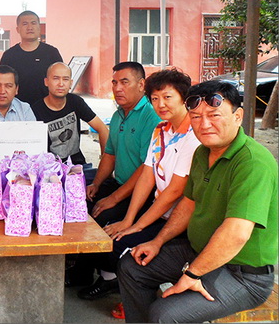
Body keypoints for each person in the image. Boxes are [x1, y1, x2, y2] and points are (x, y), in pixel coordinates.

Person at [118, 80, 277, 323]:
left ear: (238, 116)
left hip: (242, 274)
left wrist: (192, 274)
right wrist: (157, 241)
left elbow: (236, 233)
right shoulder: (203, 152)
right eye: (196, 117)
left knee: (165, 314)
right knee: (132, 266)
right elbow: (188, 205)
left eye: (214, 115)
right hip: (198, 252)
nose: (204, 124)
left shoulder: (253, 162)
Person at [78, 68, 200, 316]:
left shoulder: (193, 136)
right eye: (155, 98)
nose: (160, 104)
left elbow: (174, 192)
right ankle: (124, 287)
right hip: (161, 213)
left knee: (123, 247)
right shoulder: (161, 130)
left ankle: (137, 296)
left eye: (167, 97)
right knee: (108, 234)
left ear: (184, 98)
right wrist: (129, 220)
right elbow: (147, 174)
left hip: (183, 222)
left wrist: (136, 225)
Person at [67, 61, 160, 293]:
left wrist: (114, 198)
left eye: (124, 82)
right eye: (115, 82)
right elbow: (110, 154)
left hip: (142, 193)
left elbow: (145, 169)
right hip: (119, 183)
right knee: (80, 204)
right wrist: (97, 184)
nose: (117, 88)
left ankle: (109, 278)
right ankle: (82, 272)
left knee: (101, 217)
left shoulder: (151, 116)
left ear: (141, 85)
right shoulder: (118, 114)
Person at [31, 61, 109, 167]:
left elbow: (103, 129)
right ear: (46, 82)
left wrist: (104, 164)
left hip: (77, 165)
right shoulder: (35, 110)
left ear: (71, 83)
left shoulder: (76, 102)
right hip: (49, 169)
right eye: (56, 78)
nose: (61, 84)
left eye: (65, 79)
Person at [0, 10, 63, 106]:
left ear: (39, 27)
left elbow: (61, 80)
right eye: (25, 24)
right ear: (18, 29)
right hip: (17, 108)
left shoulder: (51, 53)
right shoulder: (9, 56)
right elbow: (1, 83)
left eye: (33, 23)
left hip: (47, 108)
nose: (30, 27)